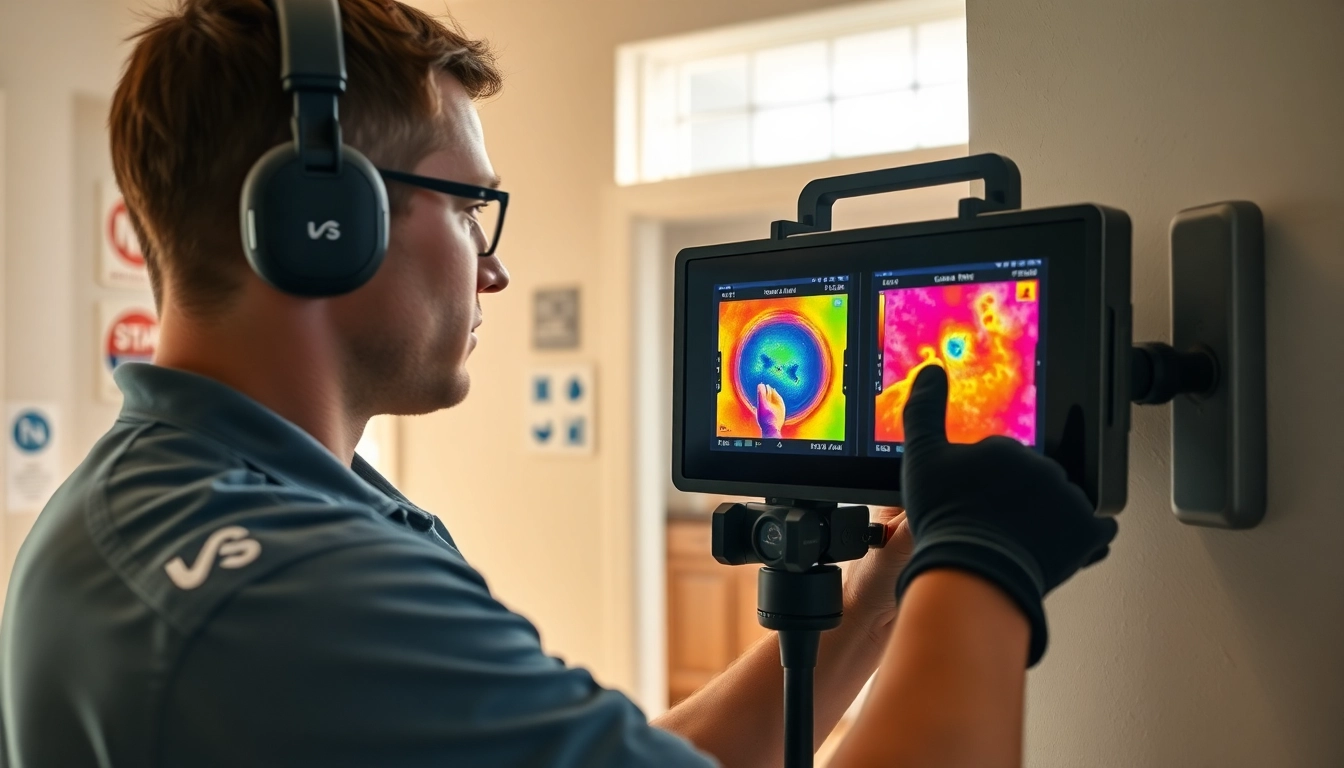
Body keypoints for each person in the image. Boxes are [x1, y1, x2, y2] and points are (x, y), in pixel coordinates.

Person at [0, 2, 1117, 766]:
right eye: (471, 209)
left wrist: (880, 592)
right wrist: (983, 566)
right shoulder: (286, 594)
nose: (494, 269)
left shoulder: (182, 504)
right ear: (325, 218)